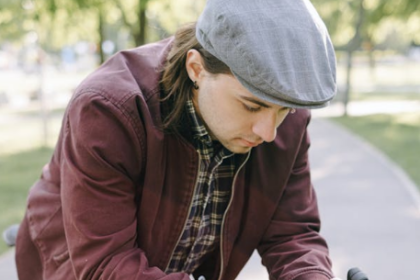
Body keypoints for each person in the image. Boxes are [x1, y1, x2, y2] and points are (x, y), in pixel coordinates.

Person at [15, 0, 340, 279]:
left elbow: (293, 235)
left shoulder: (287, 125)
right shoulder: (107, 110)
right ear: (196, 68)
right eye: (251, 106)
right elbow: (106, 265)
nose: (268, 133)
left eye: (284, 111)